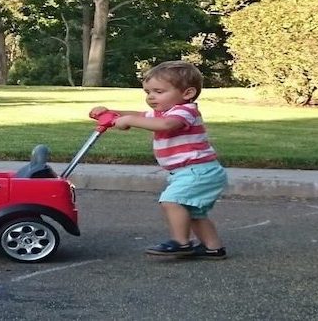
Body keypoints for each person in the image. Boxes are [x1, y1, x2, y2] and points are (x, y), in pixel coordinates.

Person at [90, 60, 228, 259]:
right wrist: (111, 113)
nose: (151, 97)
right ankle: (213, 248)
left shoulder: (185, 111)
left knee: (171, 201)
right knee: (194, 212)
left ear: (187, 93)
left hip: (197, 171)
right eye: (148, 92)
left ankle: (181, 243)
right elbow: (141, 114)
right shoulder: (165, 111)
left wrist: (129, 121)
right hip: (191, 172)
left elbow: (166, 125)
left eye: (158, 92)